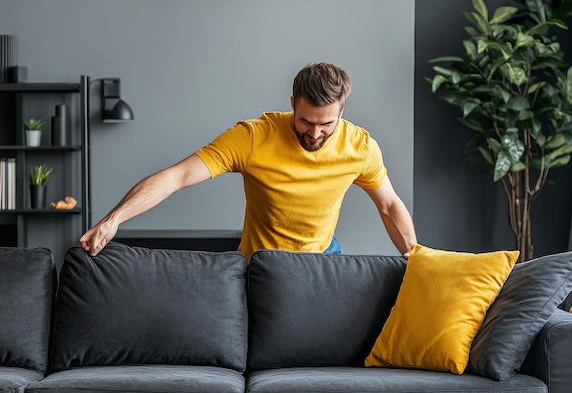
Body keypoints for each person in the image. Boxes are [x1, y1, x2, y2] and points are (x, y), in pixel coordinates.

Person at [80, 62, 417, 259]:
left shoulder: (360, 146)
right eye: (305, 122)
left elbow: (389, 205)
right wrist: (115, 219)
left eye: (326, 124)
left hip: (324, 257)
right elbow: (177, 176)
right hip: (260, 262)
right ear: (292, 104)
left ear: (342, 112)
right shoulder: (254, 137)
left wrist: (415, 258)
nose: (314, 134)